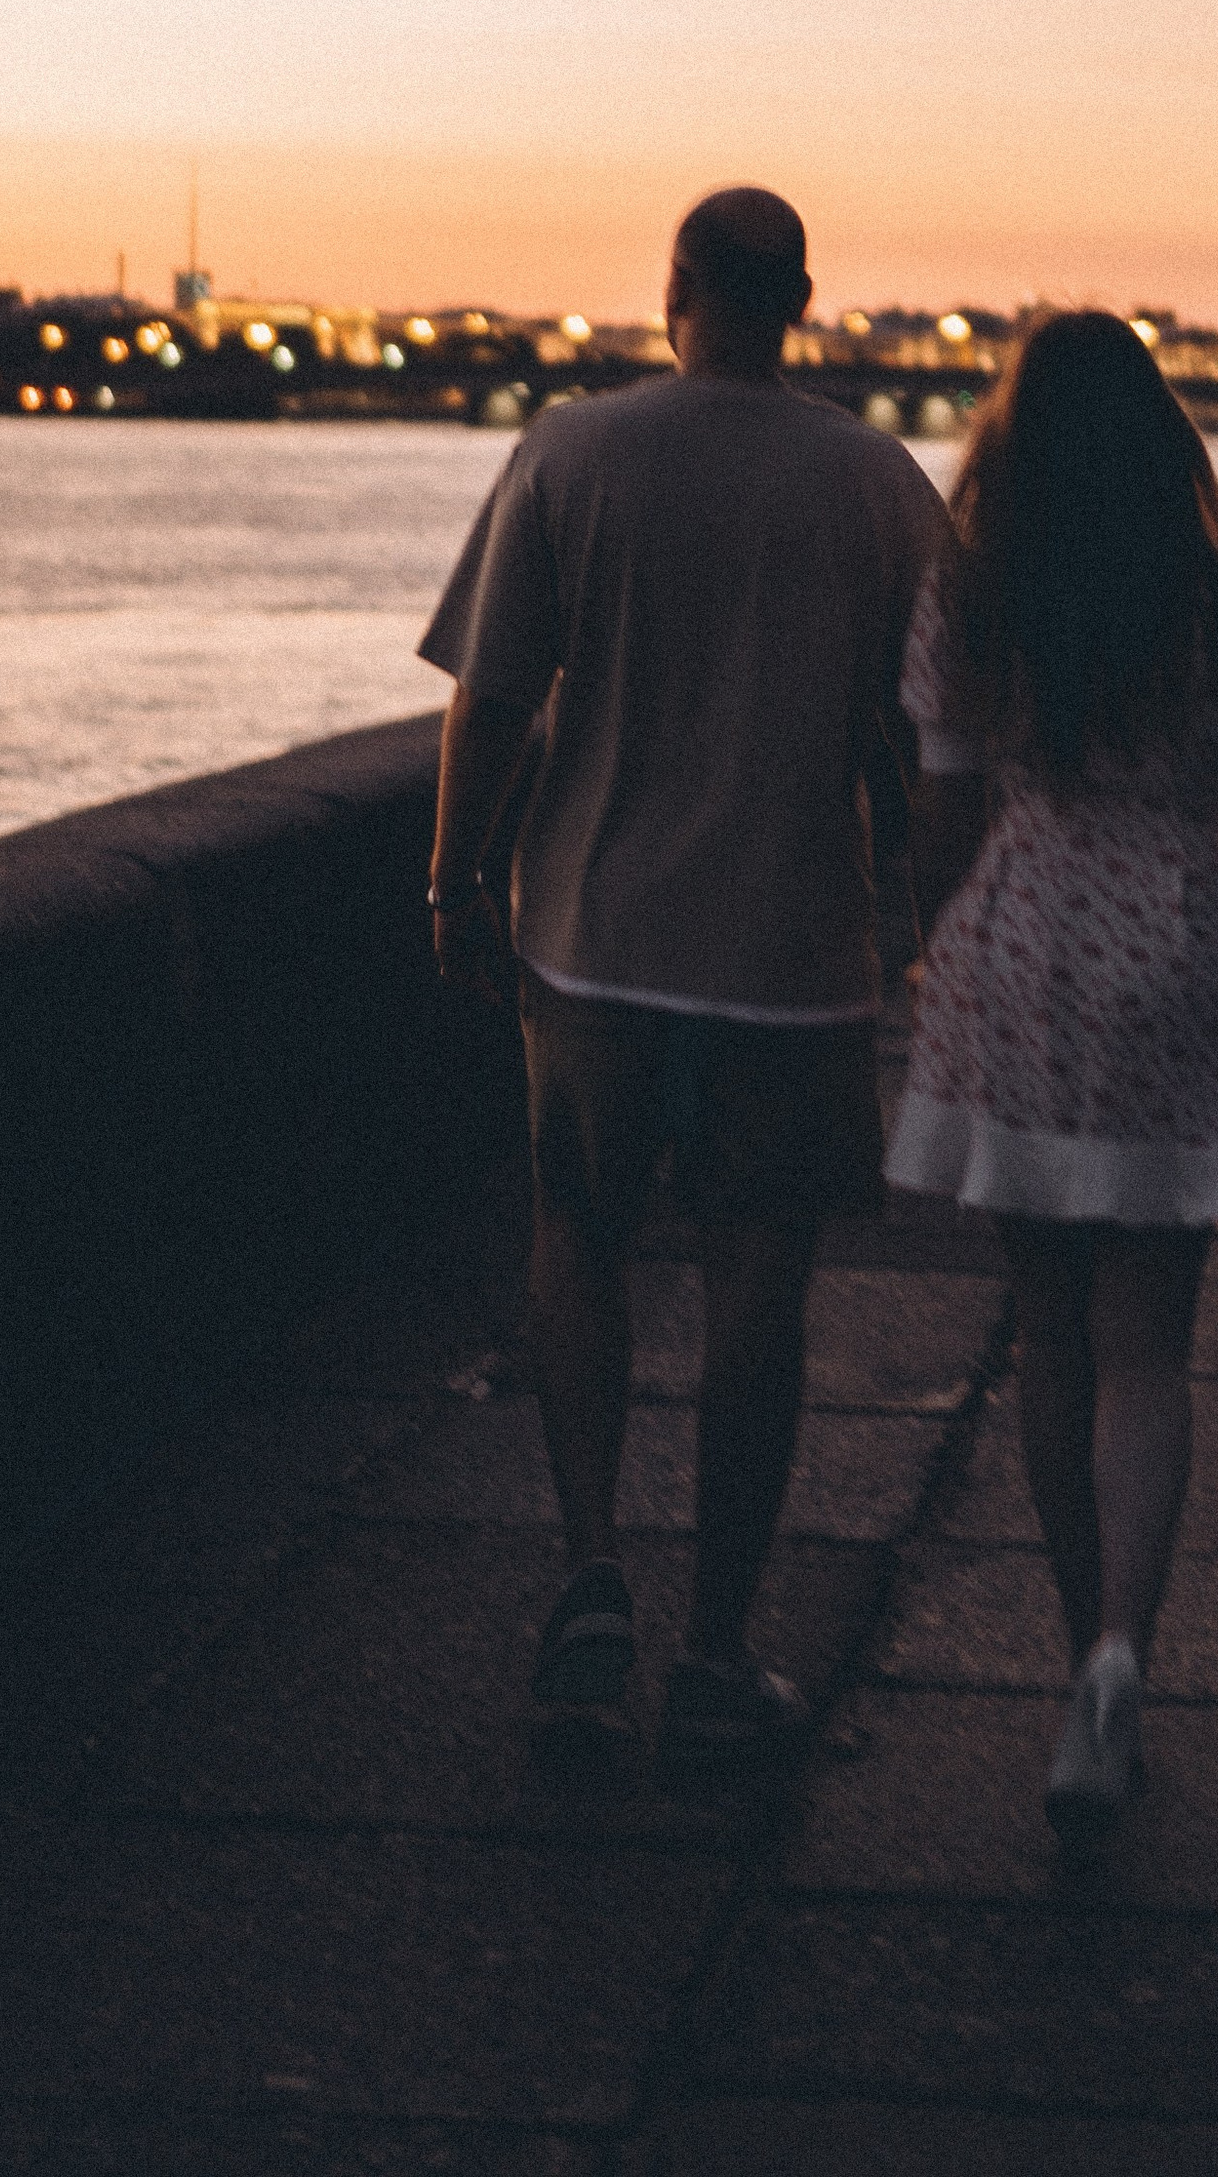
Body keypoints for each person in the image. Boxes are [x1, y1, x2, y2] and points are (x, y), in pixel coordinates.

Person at [420, 187, 946, 1767]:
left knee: (578, 1238)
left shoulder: (573, 453)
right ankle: (717, 1646)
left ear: (676, 286)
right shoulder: (878, 485)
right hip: (793, 958)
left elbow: (492, 701)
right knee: (759, 1296)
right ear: (802, 302)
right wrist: (929, 913)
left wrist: (455, 879)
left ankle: (594, 1565)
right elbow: (927, 738)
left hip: (594, 940)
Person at [884, 310, 1218, 1845]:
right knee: (1150, 1343)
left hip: (1020, 946)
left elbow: (941, 822)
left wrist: (937, 957)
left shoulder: (974, 595)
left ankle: (1083, 1657)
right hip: (1176, 949)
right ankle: (1126, 1647)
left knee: (1049, 1333)